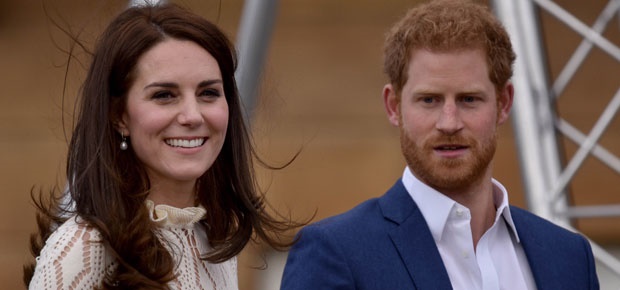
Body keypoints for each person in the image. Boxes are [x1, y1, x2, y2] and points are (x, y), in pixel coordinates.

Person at [280, 0, 599, 289]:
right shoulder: (336, 252)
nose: (449, 122)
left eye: (469, 99)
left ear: (503, 103)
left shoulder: (568, 257)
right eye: (429, 100)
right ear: (394, 106)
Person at [24, 3, 299, 289]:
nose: (192, 116)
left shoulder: (214, 241)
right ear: (119, 115)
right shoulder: (83, 249)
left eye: (208, 93)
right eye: (165, 95)